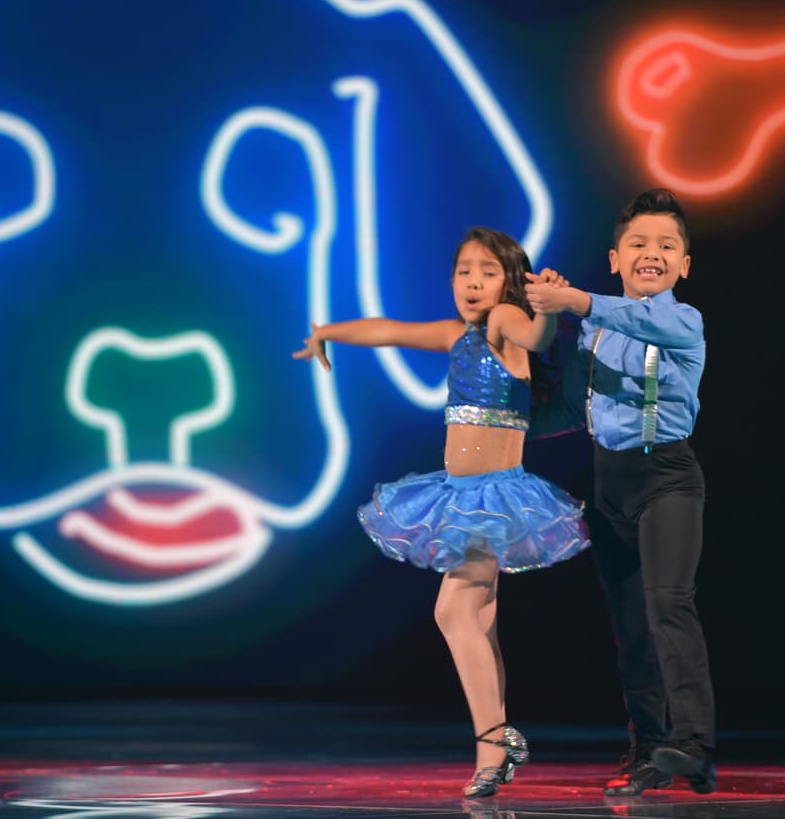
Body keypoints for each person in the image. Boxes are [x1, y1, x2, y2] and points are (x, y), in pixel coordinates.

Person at [294, 226, 589, 798]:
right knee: (479, 623)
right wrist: (326, 333)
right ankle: (494, 751)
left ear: (510, 281)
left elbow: (535, 334)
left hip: (493, 499)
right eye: (463, 271)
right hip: (458, 495)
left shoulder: (505, 319)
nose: (473, 282)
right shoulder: (458, 335)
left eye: (487, 272)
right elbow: (389, 330)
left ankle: (496, 739)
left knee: (453, 612)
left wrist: (545, 306)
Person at [525, 188, 715, 796]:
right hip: (609, 482)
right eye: (638, 244)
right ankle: (650, 750)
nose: (651, 253)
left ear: (684, 264)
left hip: (667, 478)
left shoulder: (682, 321)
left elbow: (635, 318)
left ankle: (695, 745)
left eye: (666, 246)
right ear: (615, 258)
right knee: (631, 626)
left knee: (668, 604)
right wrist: (489, 423)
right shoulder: (594, 332)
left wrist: (575, 301)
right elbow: (566, 409)